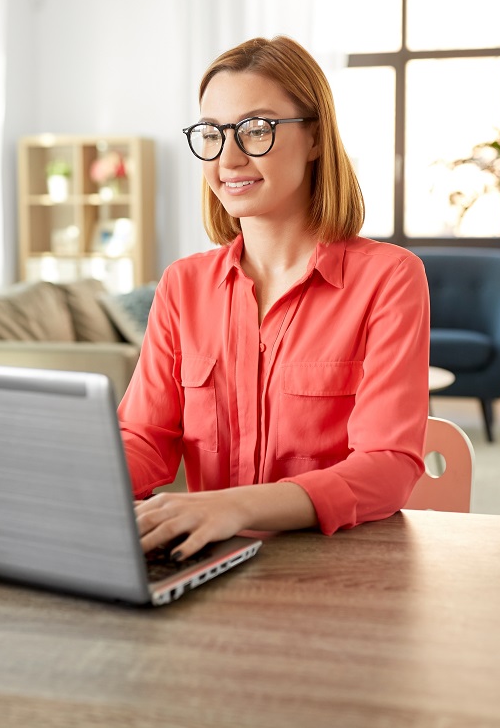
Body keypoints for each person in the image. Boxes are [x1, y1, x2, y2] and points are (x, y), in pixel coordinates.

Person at [120, 36, 430, 562]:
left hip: (336, 567)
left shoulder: (390, 278)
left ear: (314, 137)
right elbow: (145, 438)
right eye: (213, 134)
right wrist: (70, 481)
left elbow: (387, 466)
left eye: (256, 129)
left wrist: (235, 507)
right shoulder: (182, 285)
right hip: (206, 561)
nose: (230, 157)